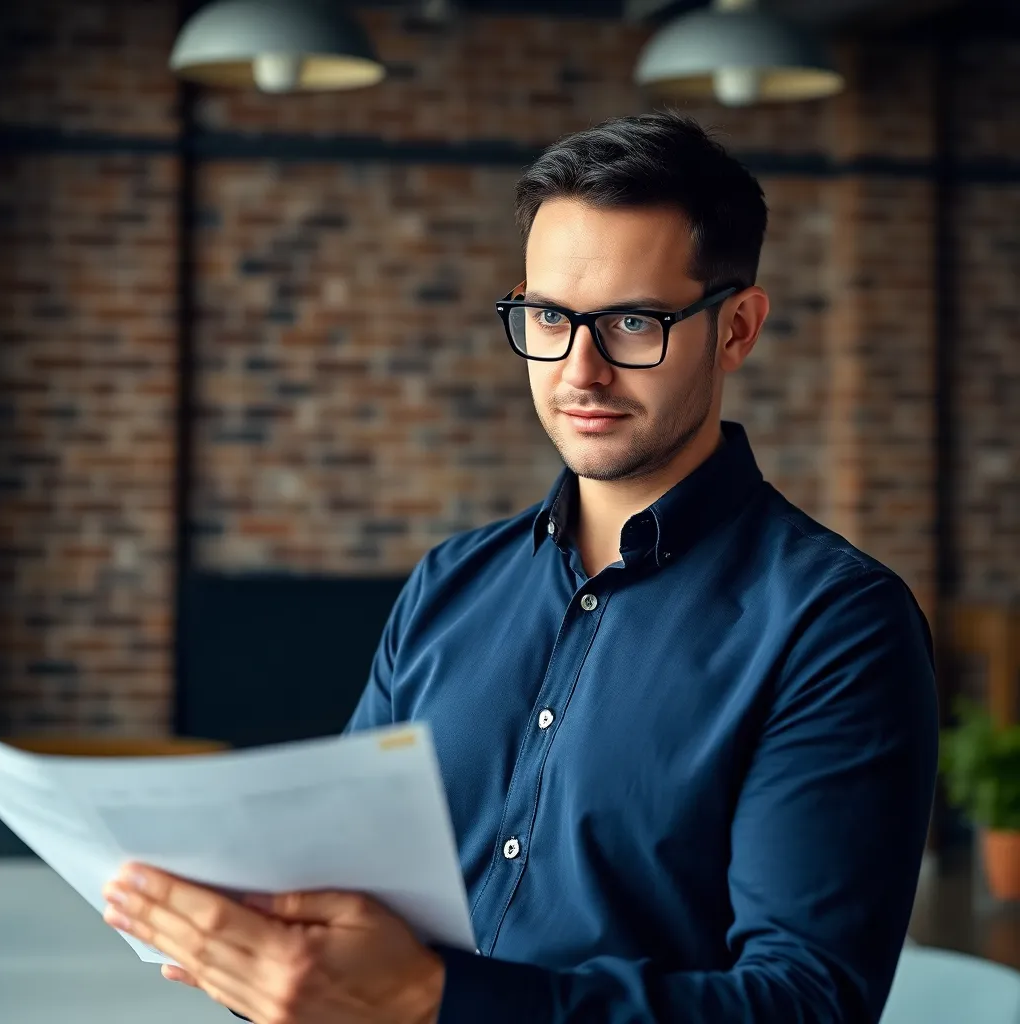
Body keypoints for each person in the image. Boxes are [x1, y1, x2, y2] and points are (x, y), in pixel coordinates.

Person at [101, 111, 939, 1023]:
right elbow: (340, 898)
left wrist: (434, 998)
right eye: (548, 316)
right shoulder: (449, 584)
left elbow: (807, 1005)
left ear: (736, 328)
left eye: (631, 321)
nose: (580, 370)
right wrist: (265, 960)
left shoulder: (837, 624)